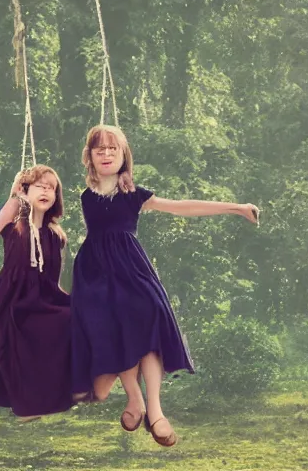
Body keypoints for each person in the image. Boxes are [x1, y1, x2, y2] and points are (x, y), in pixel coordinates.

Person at [70, 124, 260, 447]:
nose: (106, 154)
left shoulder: (133, 194)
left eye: (113, 149)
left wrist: (235, 207)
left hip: (131, 267)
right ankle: (135, 399)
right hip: (95, 272)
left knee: (149, 311)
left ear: (123, 156)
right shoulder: (86, 195)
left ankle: (155, 409)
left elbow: (182, 206)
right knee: (117, 323)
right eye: (99, 149)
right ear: (89, 157)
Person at [0, 165, 72, 421]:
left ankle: (72, 390)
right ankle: (26, 404)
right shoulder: (15, 224)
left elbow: (52, 277)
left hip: (41, 298)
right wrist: (15, 194)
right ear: (25, 192)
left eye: (51, 188)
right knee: (18, 341)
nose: (46, 191)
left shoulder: (54, 234)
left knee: (75, 317)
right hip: (11, 302)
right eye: (39, 185)